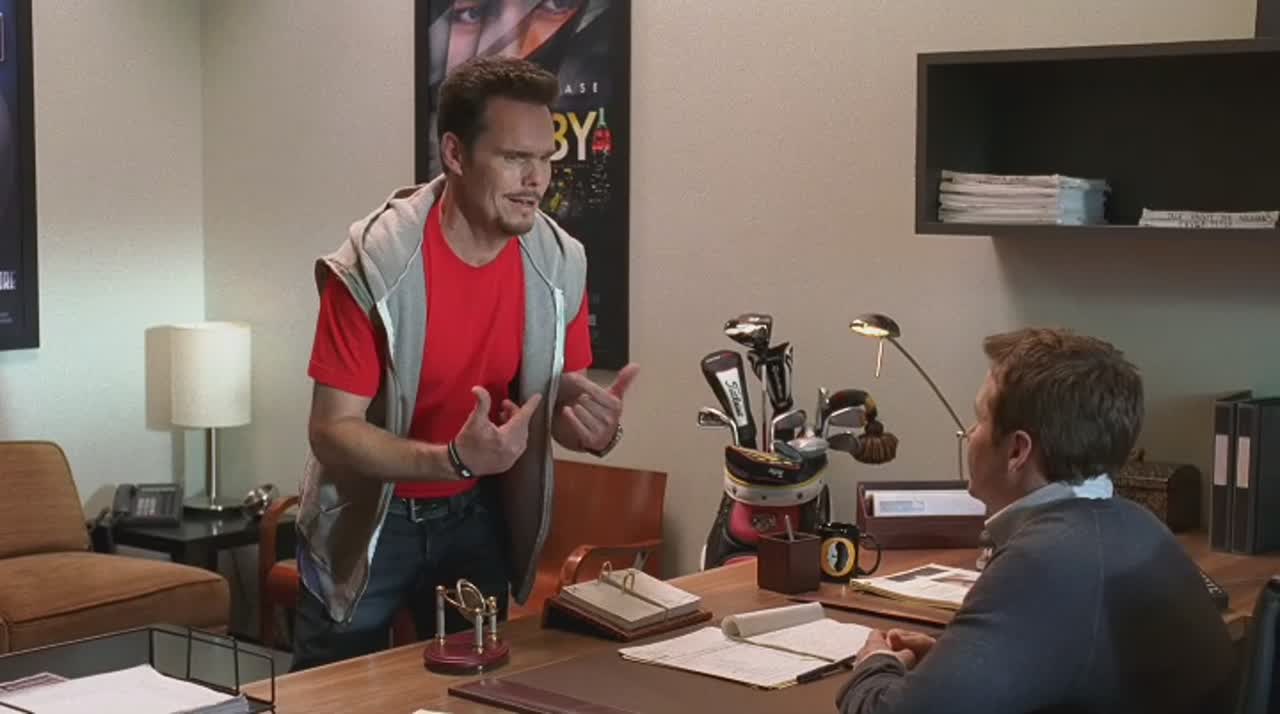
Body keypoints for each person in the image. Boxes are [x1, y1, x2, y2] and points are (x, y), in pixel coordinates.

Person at [292, 55, 637, 671]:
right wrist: (450, 458)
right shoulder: (373, 263)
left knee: (481, 690)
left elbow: (550, 403)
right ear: (454, 153)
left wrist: (589, 425)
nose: (536, 179)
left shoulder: (561, 262)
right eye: (514, 158)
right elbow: (331, 430)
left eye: (545, 158)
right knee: (330, 696)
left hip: (477, 512)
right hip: (372, 518)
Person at [838, 328, 1234, 714]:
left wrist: (873, 665)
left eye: (979, 419)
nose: (971, 434)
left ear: (1017, 451)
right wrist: (953, 662)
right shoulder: (1139, 525)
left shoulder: (1043, 560)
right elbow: (1070, 657)